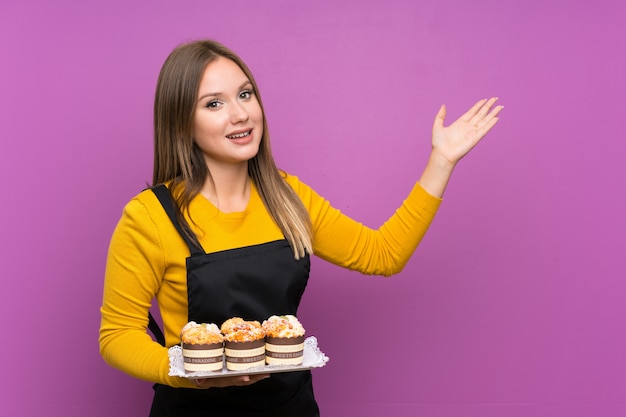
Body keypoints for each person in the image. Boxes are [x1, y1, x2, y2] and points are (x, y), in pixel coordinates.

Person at [99, 39, 503, 416]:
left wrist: (441, 162)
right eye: (213, 104)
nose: (240, 113)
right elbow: (117, 335)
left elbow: (383, 255)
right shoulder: (150, 217)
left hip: (289, 406)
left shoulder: (287, 196)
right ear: (182, 123)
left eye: (244, 94)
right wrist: (189, 373)